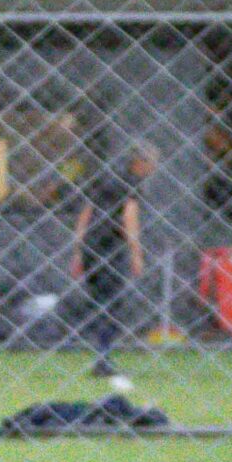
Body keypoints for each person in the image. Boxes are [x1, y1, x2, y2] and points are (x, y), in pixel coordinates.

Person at [69, 143, 156, 374]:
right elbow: (129, 218)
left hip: (91, 246)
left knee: (98, 301)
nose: (153, 169)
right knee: (111, 304)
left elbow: (86, 214)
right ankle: (104, 357)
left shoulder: (107, 180)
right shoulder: (132, 184)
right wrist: (136, 254)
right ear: (141, 163)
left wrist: (77, 250)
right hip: (110, 248)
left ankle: (101, 355)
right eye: (152, 163)